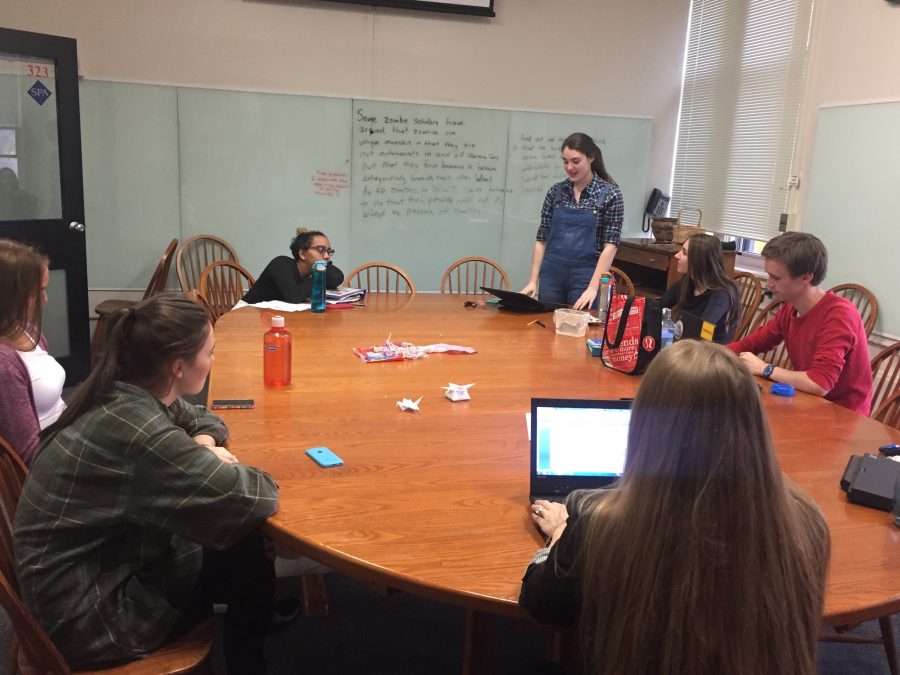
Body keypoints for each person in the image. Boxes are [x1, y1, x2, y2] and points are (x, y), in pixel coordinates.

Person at [519, 340, 830, 675]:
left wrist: (562, 532)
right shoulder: (807, 519)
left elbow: (543, 605)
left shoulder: (600, 521)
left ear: (644, 426)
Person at [14, 294, 280, 674]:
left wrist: (202, 443)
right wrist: (206, 458)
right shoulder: (140, 433)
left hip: (72, 584)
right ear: (177, 367)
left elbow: (204, 420)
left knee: (237, 547)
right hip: (88, 620)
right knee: (248, 551)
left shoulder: (124, 389)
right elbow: (254, 496)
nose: (213, 361)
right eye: (210, 353)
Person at [727, 232, 872, 414]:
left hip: (844, 417)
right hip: (810, 405)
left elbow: (820, 384)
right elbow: (750, 344)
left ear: (805, 278)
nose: (769, 284)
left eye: (776, 278)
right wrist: (706, 355)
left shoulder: (839, 314)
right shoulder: (790, 308)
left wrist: (765, 368)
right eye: (768, 276)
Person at [520, 133, 623, 311]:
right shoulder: (556, 192)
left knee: (580, 328)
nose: (569, 167)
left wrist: (593, 288)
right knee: (546, 327)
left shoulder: (611, 194)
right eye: (565, 161)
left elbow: (611, 245)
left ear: (591, 157)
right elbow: (541, 239)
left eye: (576, 161)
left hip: (585, 277)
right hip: (552, 275)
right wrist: (532, 281)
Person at [0, 238, 66, 464]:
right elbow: (28, 451)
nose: (45, 300)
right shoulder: (4, 364)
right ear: (8, 294)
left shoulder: (26, 330)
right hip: (49, 463)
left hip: (62, 438)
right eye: (40, 291)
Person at [660, 232, 740, 343]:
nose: (677, 255)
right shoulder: (688, 282)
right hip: (688, 345)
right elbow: (661, 305)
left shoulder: (722, 294)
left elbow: (702, 332)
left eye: (684, 253)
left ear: (700, 260)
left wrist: (668, 338)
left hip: (709, 353)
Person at [242, 228, 344, 304]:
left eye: (329, 251)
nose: (326, 256)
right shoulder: (281, 264)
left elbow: (337, 276)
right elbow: (294, 296)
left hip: (276, 317)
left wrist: (321, 269)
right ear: (302, 254)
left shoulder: (312, 272)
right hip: (247, 314)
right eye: (321, 250)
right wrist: (318, 276)